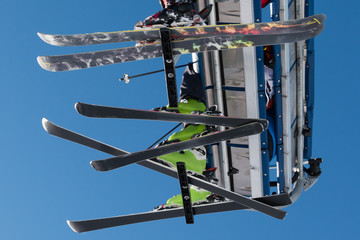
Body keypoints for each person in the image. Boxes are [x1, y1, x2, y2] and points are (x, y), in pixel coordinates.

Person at [153, 62, 219, 210]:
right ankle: (198, 175)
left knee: (175, 138)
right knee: (176, 138)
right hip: (198, 101)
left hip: (198, 101)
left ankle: (196, 165)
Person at [135, 0, 211, 29]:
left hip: (175, 12)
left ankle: (181, 14)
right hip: (184, 12)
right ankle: (188, 17)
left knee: (168, 12)